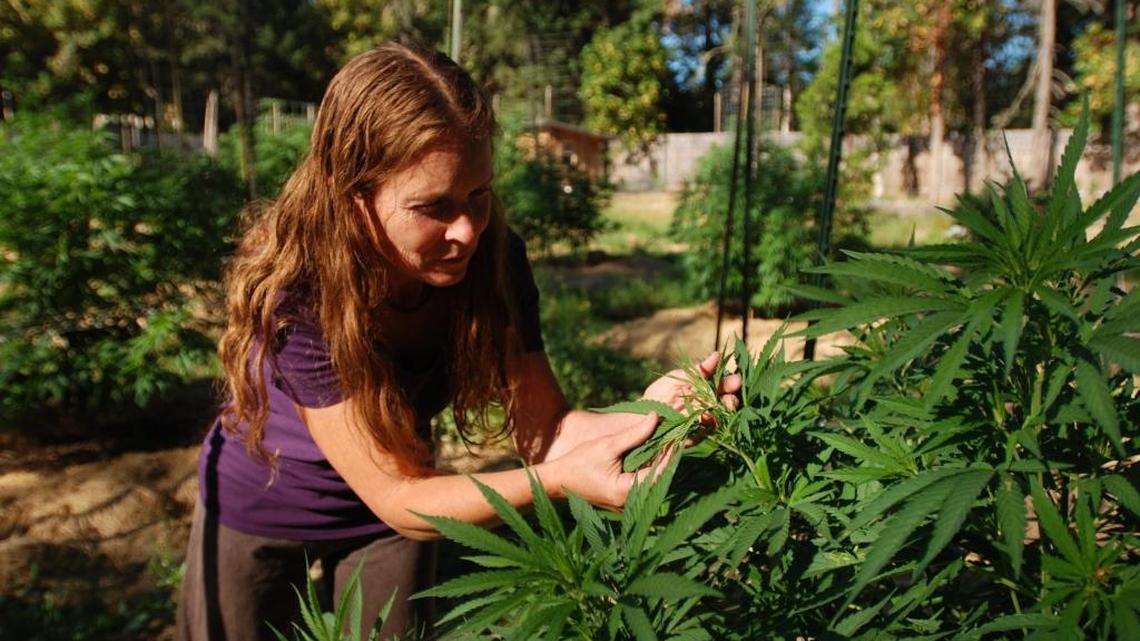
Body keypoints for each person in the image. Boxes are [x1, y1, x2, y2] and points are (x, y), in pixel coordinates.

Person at [176, 42, 740, 641]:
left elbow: (545, 431)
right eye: (434, 206)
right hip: (266, 508)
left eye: (479, 195)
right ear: (353, 194)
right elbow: (395, 494)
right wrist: (559, 482)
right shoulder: (301, 293)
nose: (467, 229)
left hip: (401, 512)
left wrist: (650, 415)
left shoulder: (496, 260)